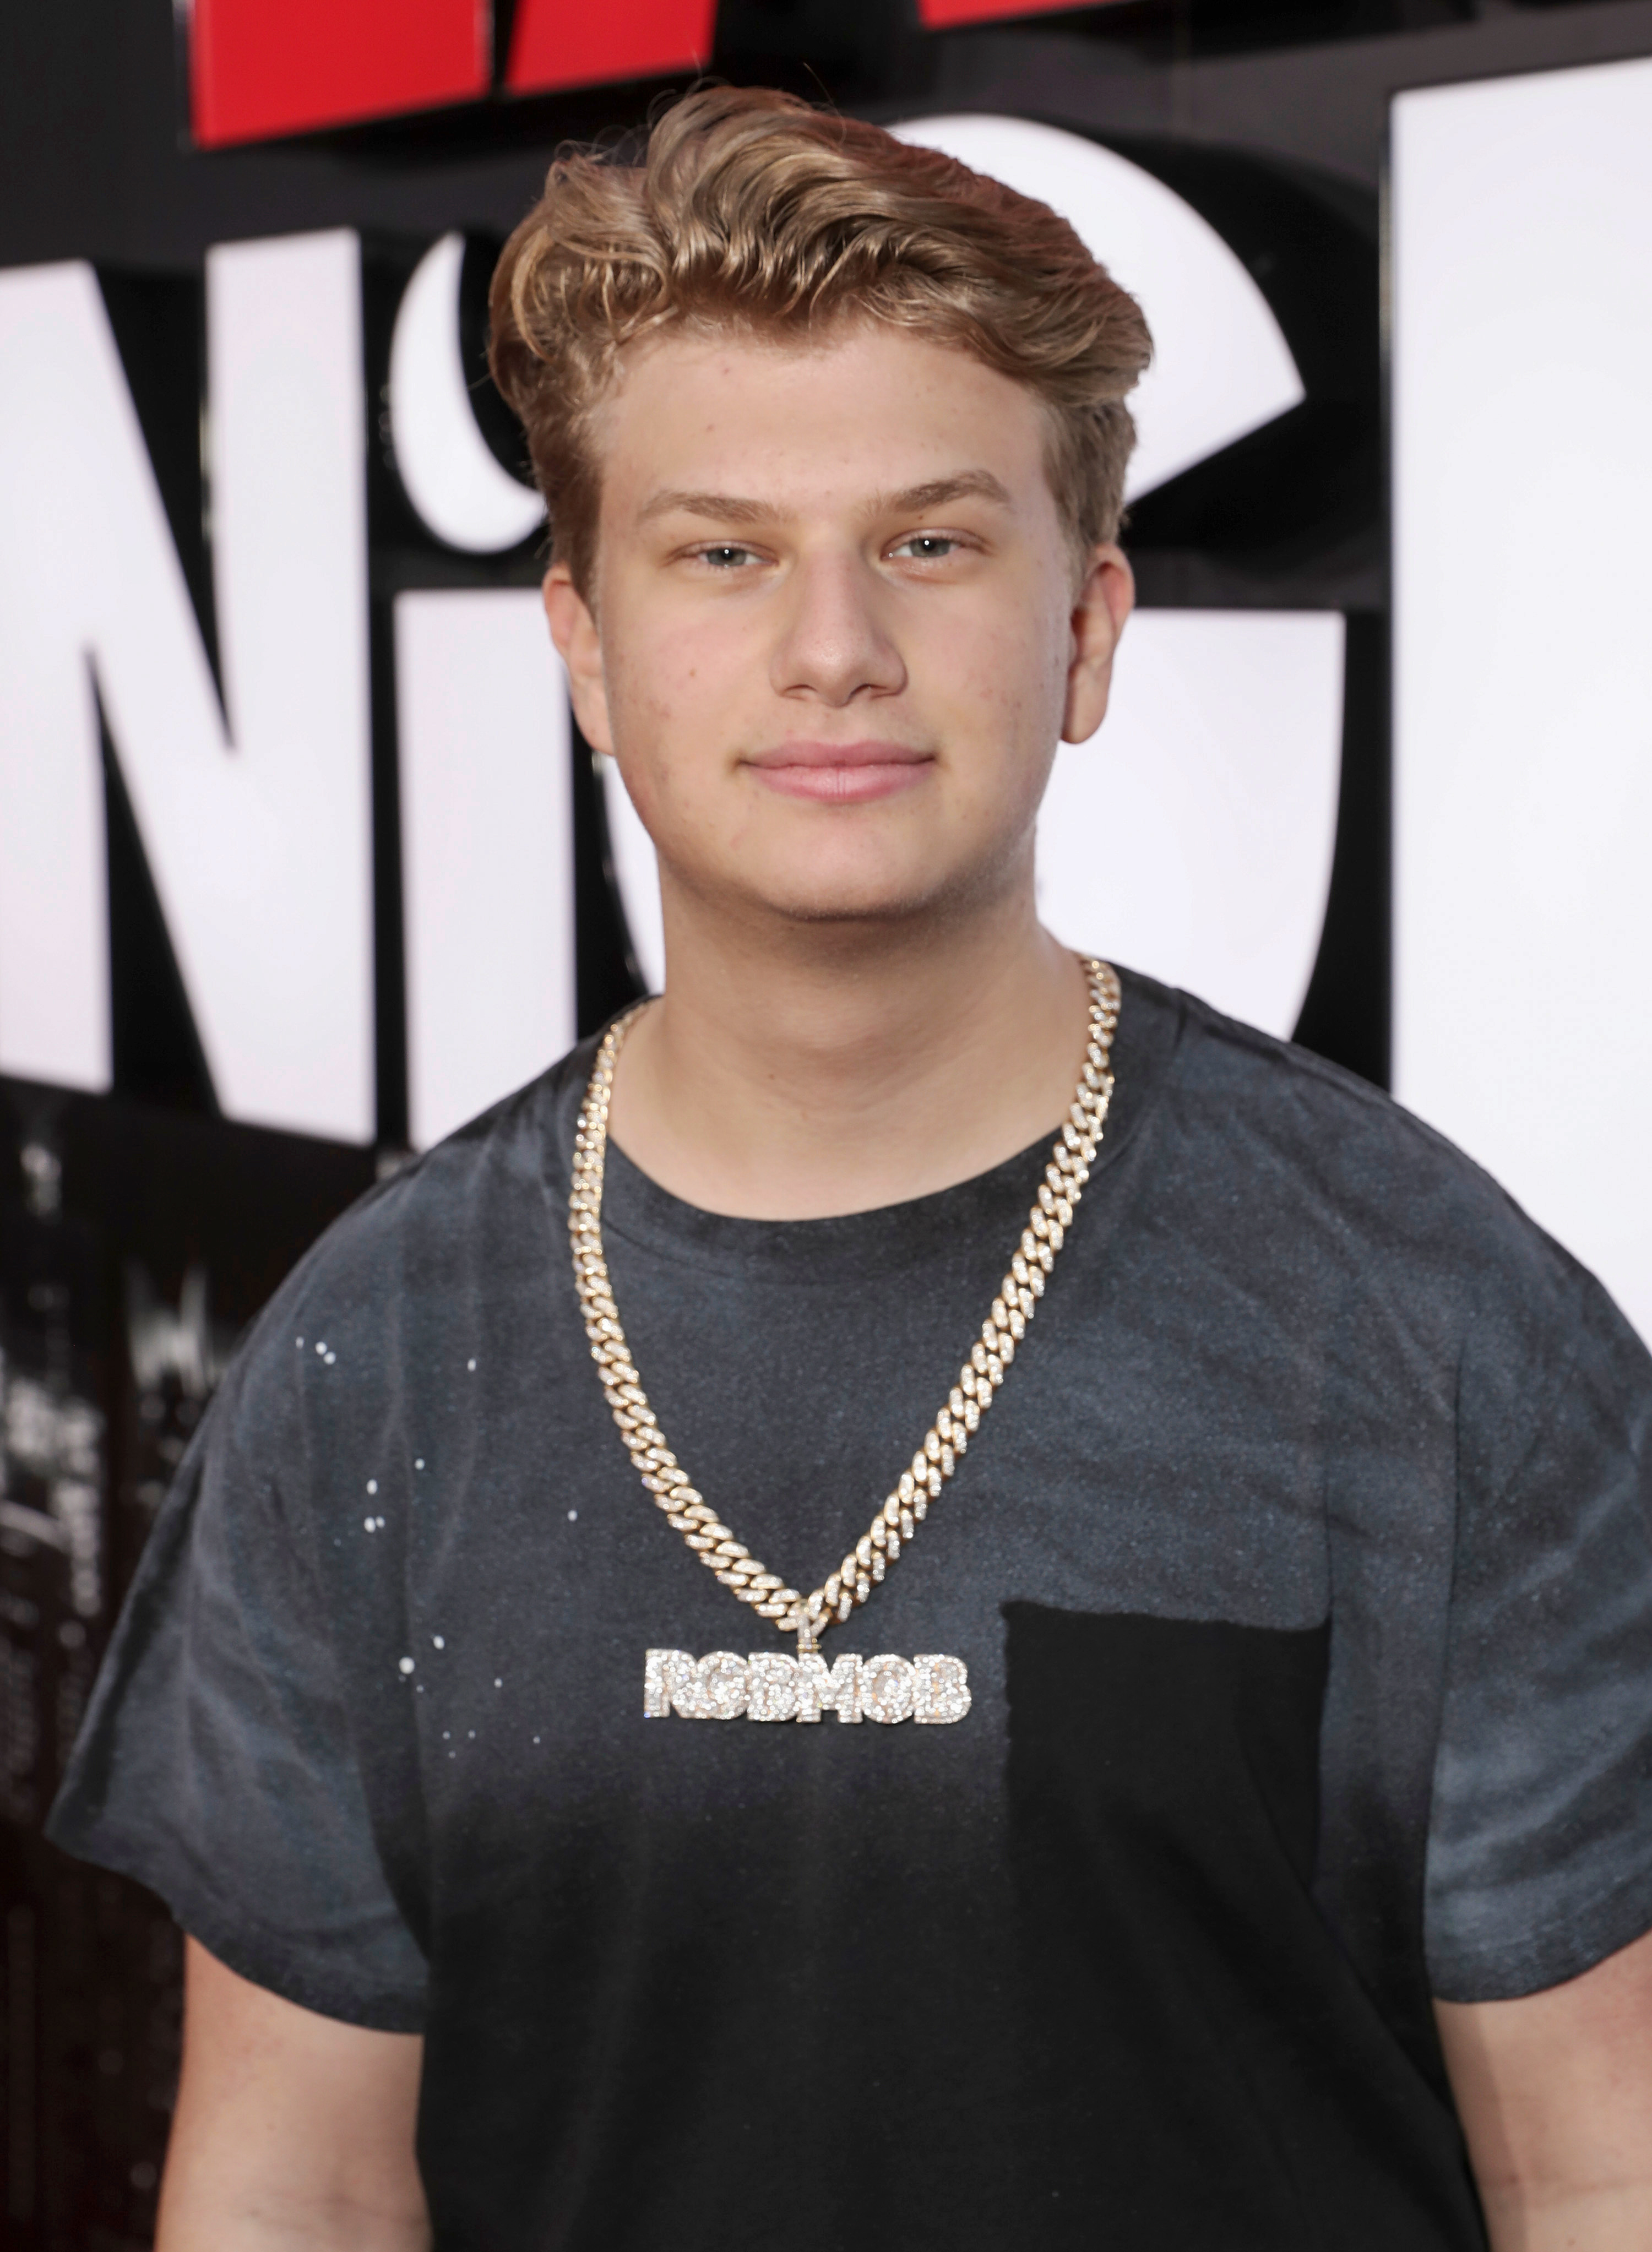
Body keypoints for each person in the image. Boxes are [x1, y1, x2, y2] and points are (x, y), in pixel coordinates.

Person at [49, 85, 1652, 2252]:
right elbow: (293, 2191)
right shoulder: (372, 1354)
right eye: (723, 551)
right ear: (588, 650)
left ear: (1084, 631)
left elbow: (1600, 2176)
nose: (835, 648)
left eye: (930, 540)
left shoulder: (1437, 1326)